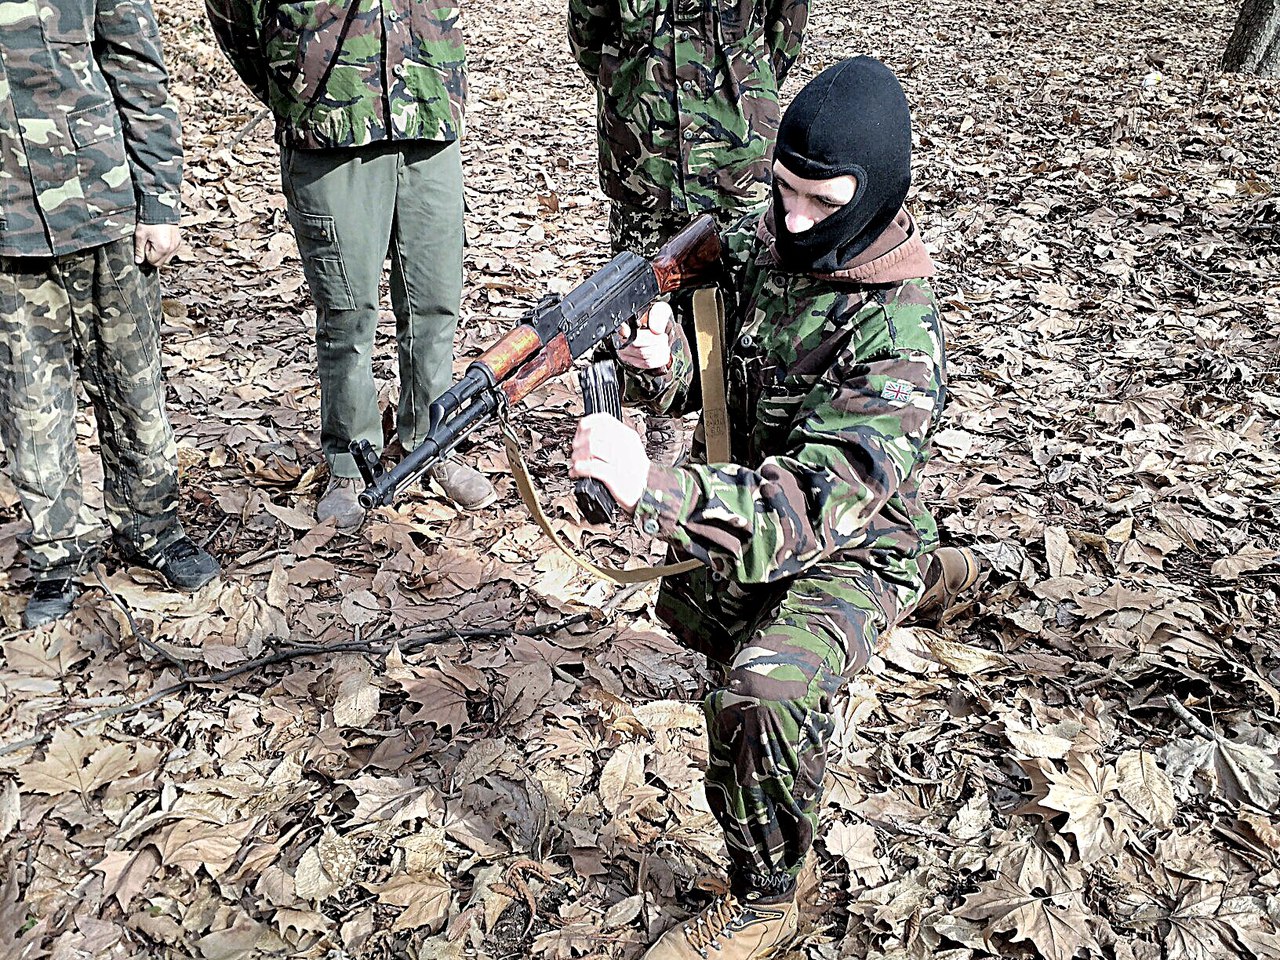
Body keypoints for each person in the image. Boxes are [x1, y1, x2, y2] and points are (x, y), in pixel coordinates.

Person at [568, 57, 981, 959]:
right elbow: (720, 388)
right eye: (781, 190)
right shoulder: (765, 245)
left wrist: (654, 488)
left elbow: (809, 507)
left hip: (853, 538)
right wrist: (661, 364)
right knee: (691, 604)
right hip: (766, 506)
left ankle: (766, 891)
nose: (790, 218)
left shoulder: (901, 334)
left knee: (760, 691)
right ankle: (944, 572)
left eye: (819, 202)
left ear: (875, 198)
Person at [205, 0, 495, 528]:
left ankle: (432, 443)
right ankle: (348, 461)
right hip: (331, 120)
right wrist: (294, 84)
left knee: (435, 303)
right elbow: (232, 15)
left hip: (428, 104)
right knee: (346, 313)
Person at [0, 0, 222, 629]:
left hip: (102, 204)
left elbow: (138, 70)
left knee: (133, 386)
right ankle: (54, 556)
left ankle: (152, 528)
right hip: (7, 230)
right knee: (29, 403)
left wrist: (161, 200)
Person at [567, 0, 809, 257]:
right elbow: (587, 35)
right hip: (644, 169)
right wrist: (631, 93)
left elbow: (786, 32)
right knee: (641, 290)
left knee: (740, 290)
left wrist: (745, 89)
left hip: (739, 166)